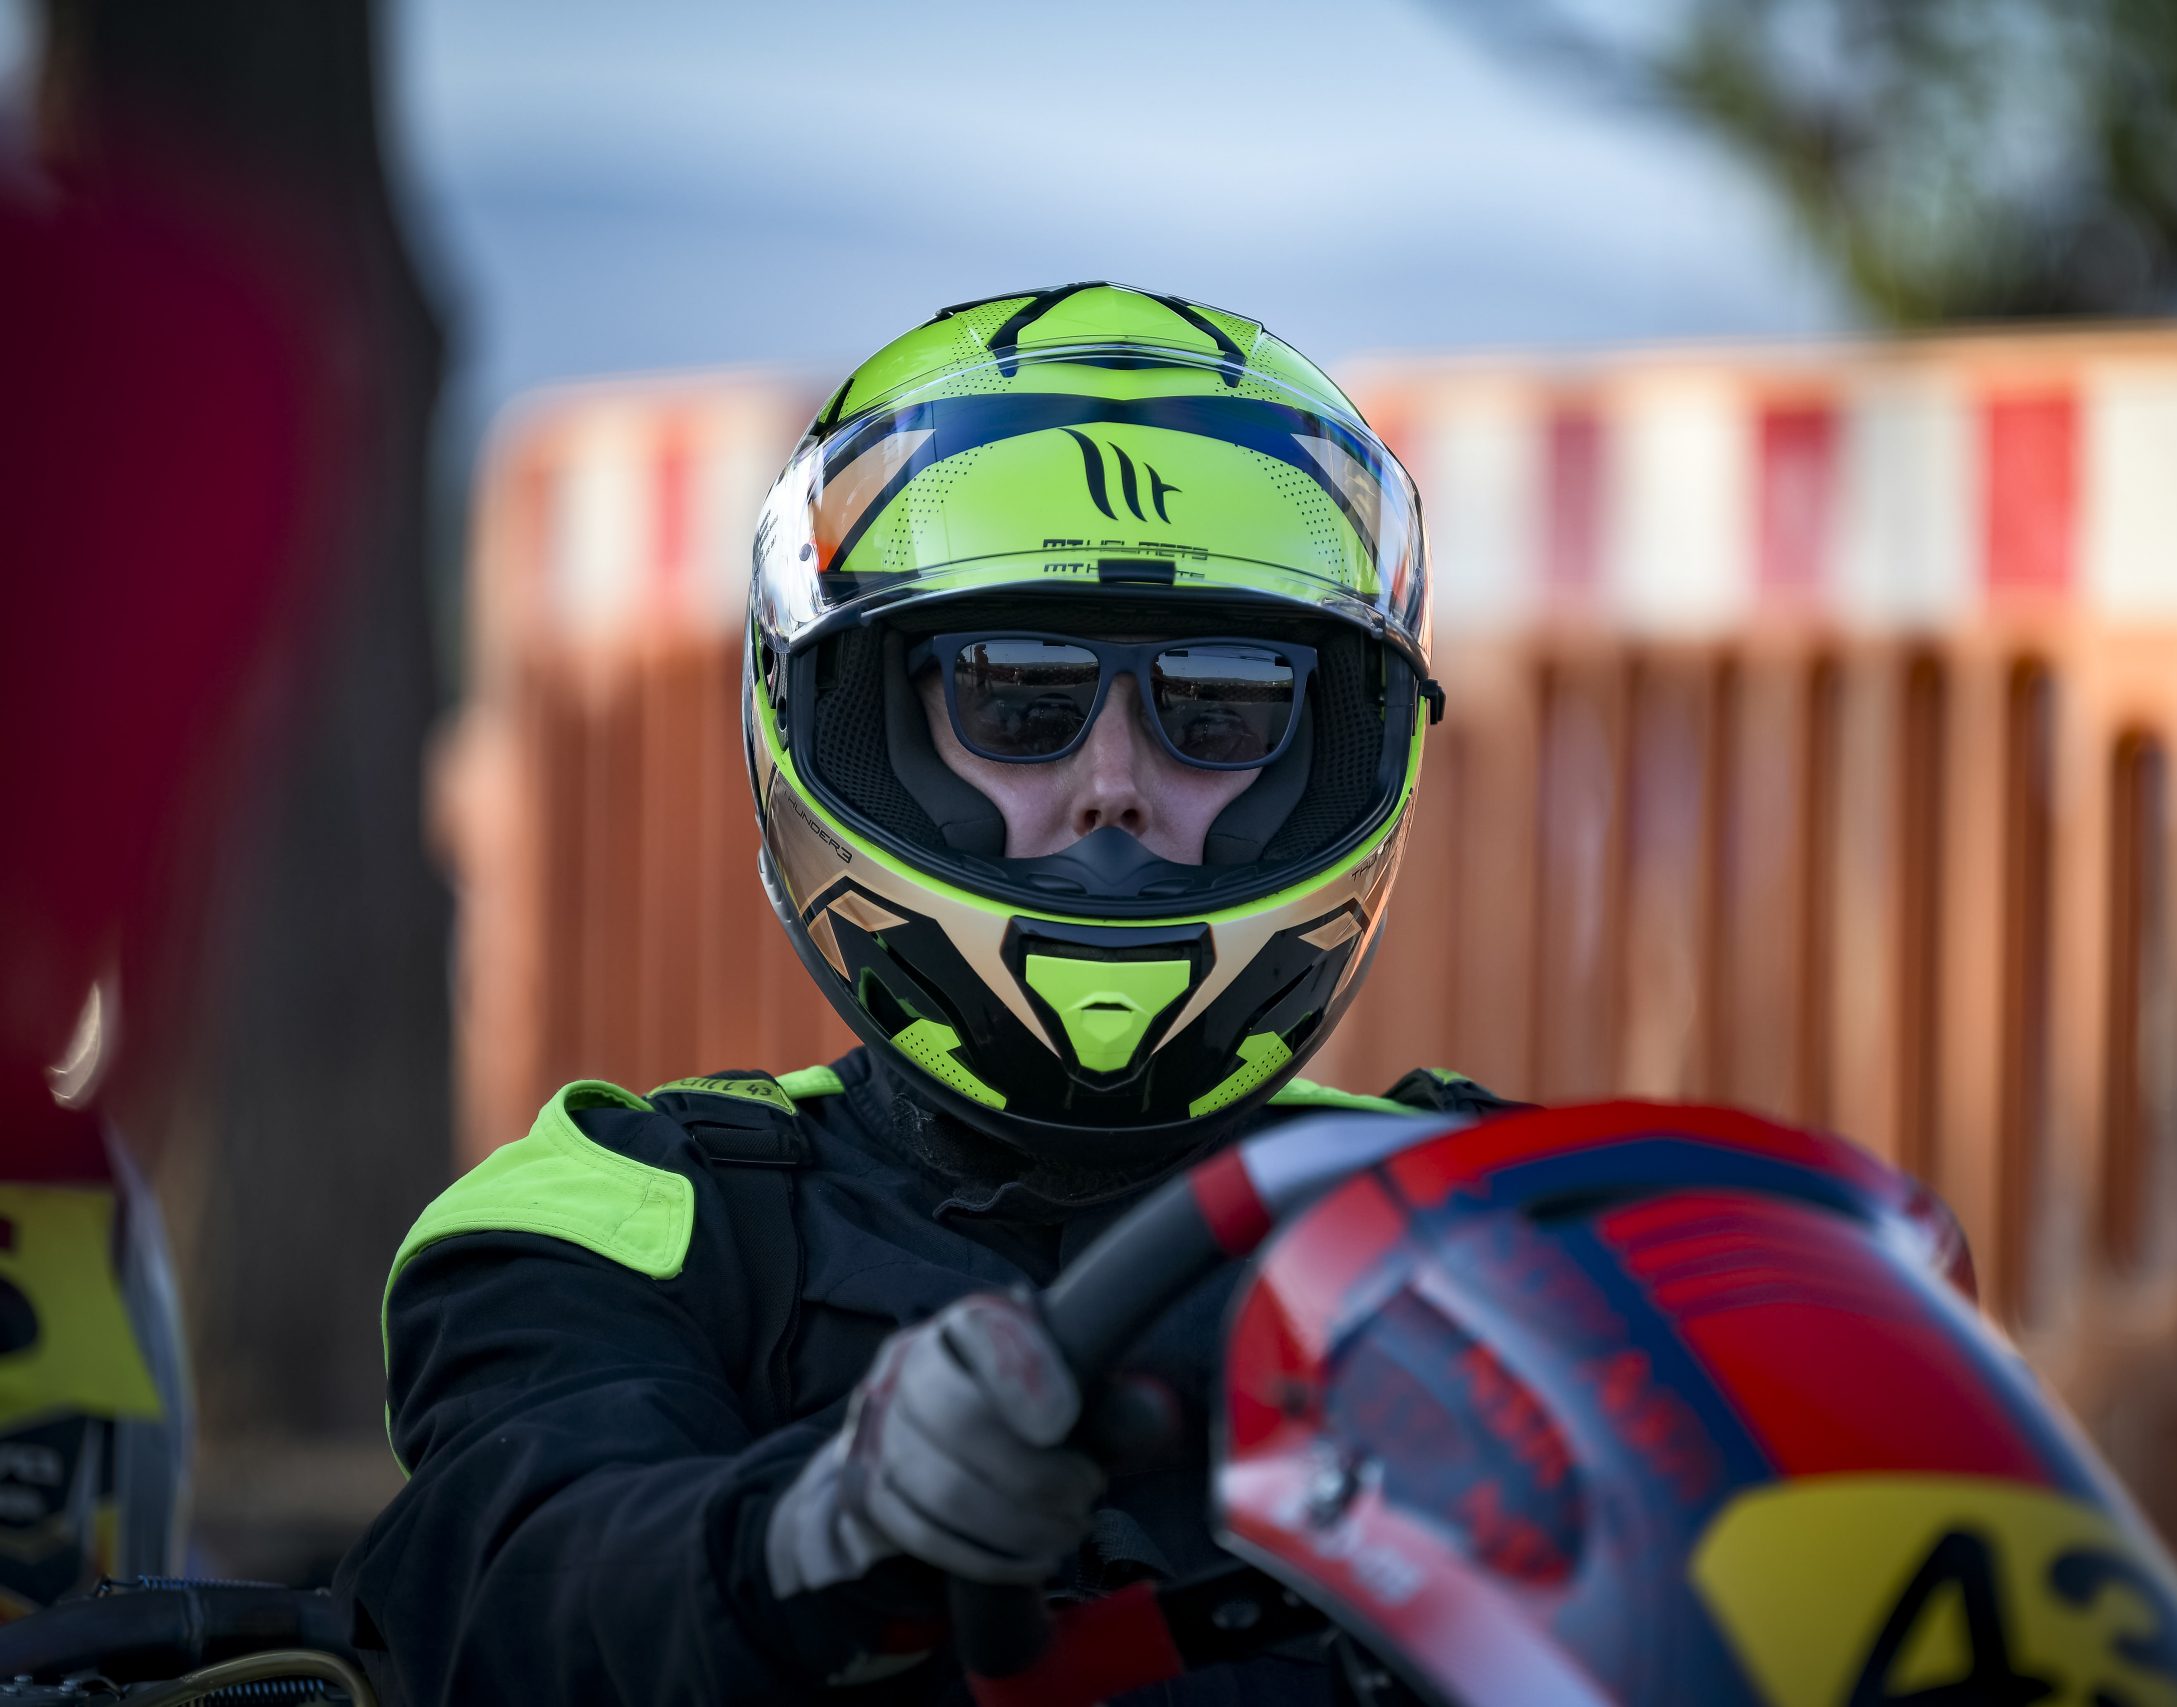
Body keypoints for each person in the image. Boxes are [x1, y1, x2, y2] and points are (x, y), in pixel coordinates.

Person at [338, 283, 1509, 1703]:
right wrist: (818, 1531)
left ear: (1334, 750)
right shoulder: (627, 1215)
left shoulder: (1492, 1218)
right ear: (860, 725)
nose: (1114, 789)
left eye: (1221, 708)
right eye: (1017, 701)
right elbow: (514, 1584)